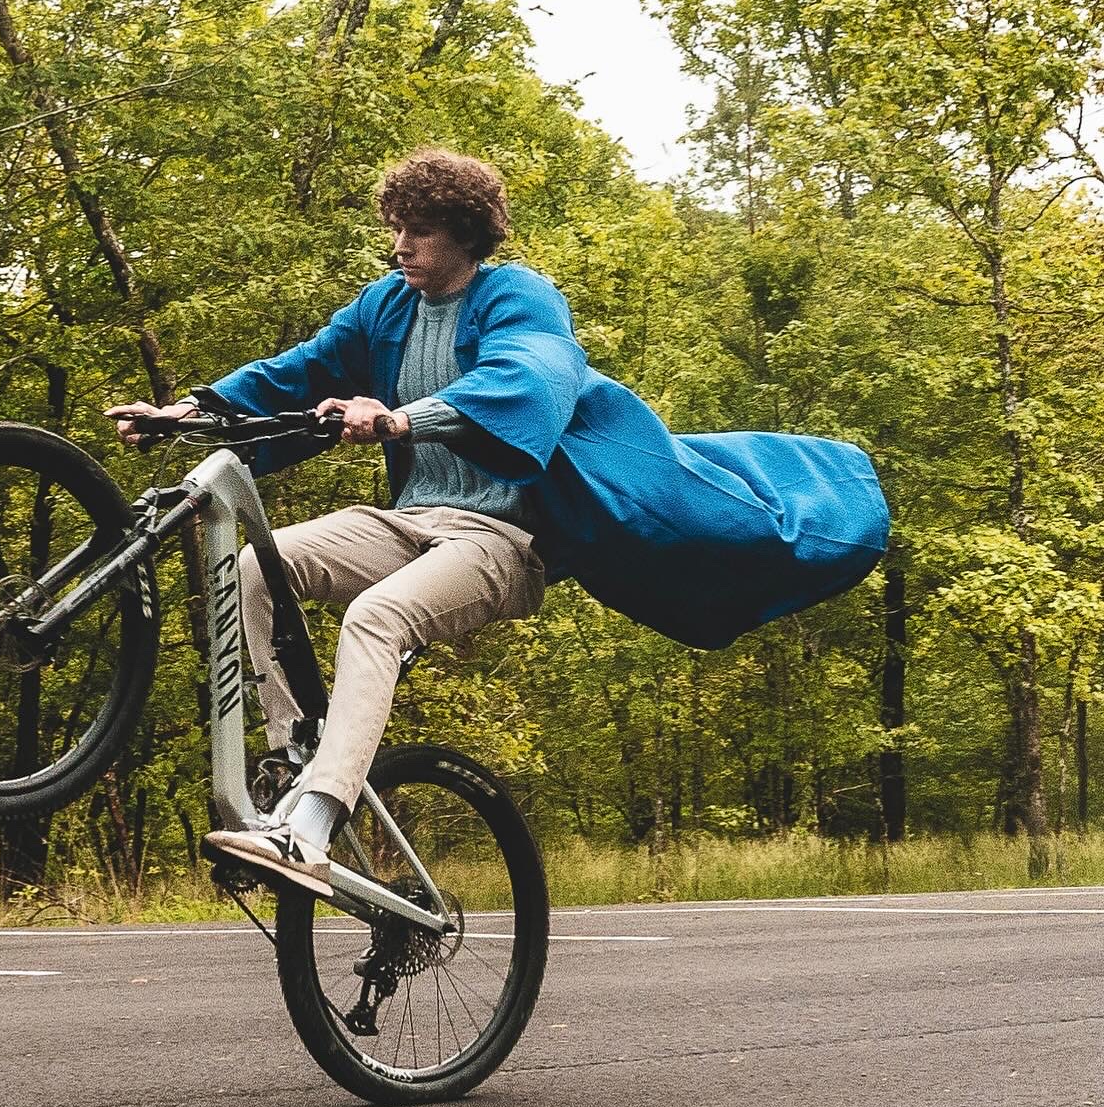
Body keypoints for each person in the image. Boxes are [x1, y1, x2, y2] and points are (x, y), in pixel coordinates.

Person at [107, 146, 889, 895]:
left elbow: (529, 380)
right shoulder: (387, 307)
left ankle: (312, 823)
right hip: (409, 519)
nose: (400, 247)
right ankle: (293, 757)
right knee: (255, 567)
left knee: (376, 618)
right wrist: (185, 412)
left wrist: (400, 422)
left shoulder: (517, 296)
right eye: (396, 228)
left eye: (418, 230)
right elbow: (296, 371)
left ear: (465, 233)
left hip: (501, 541)